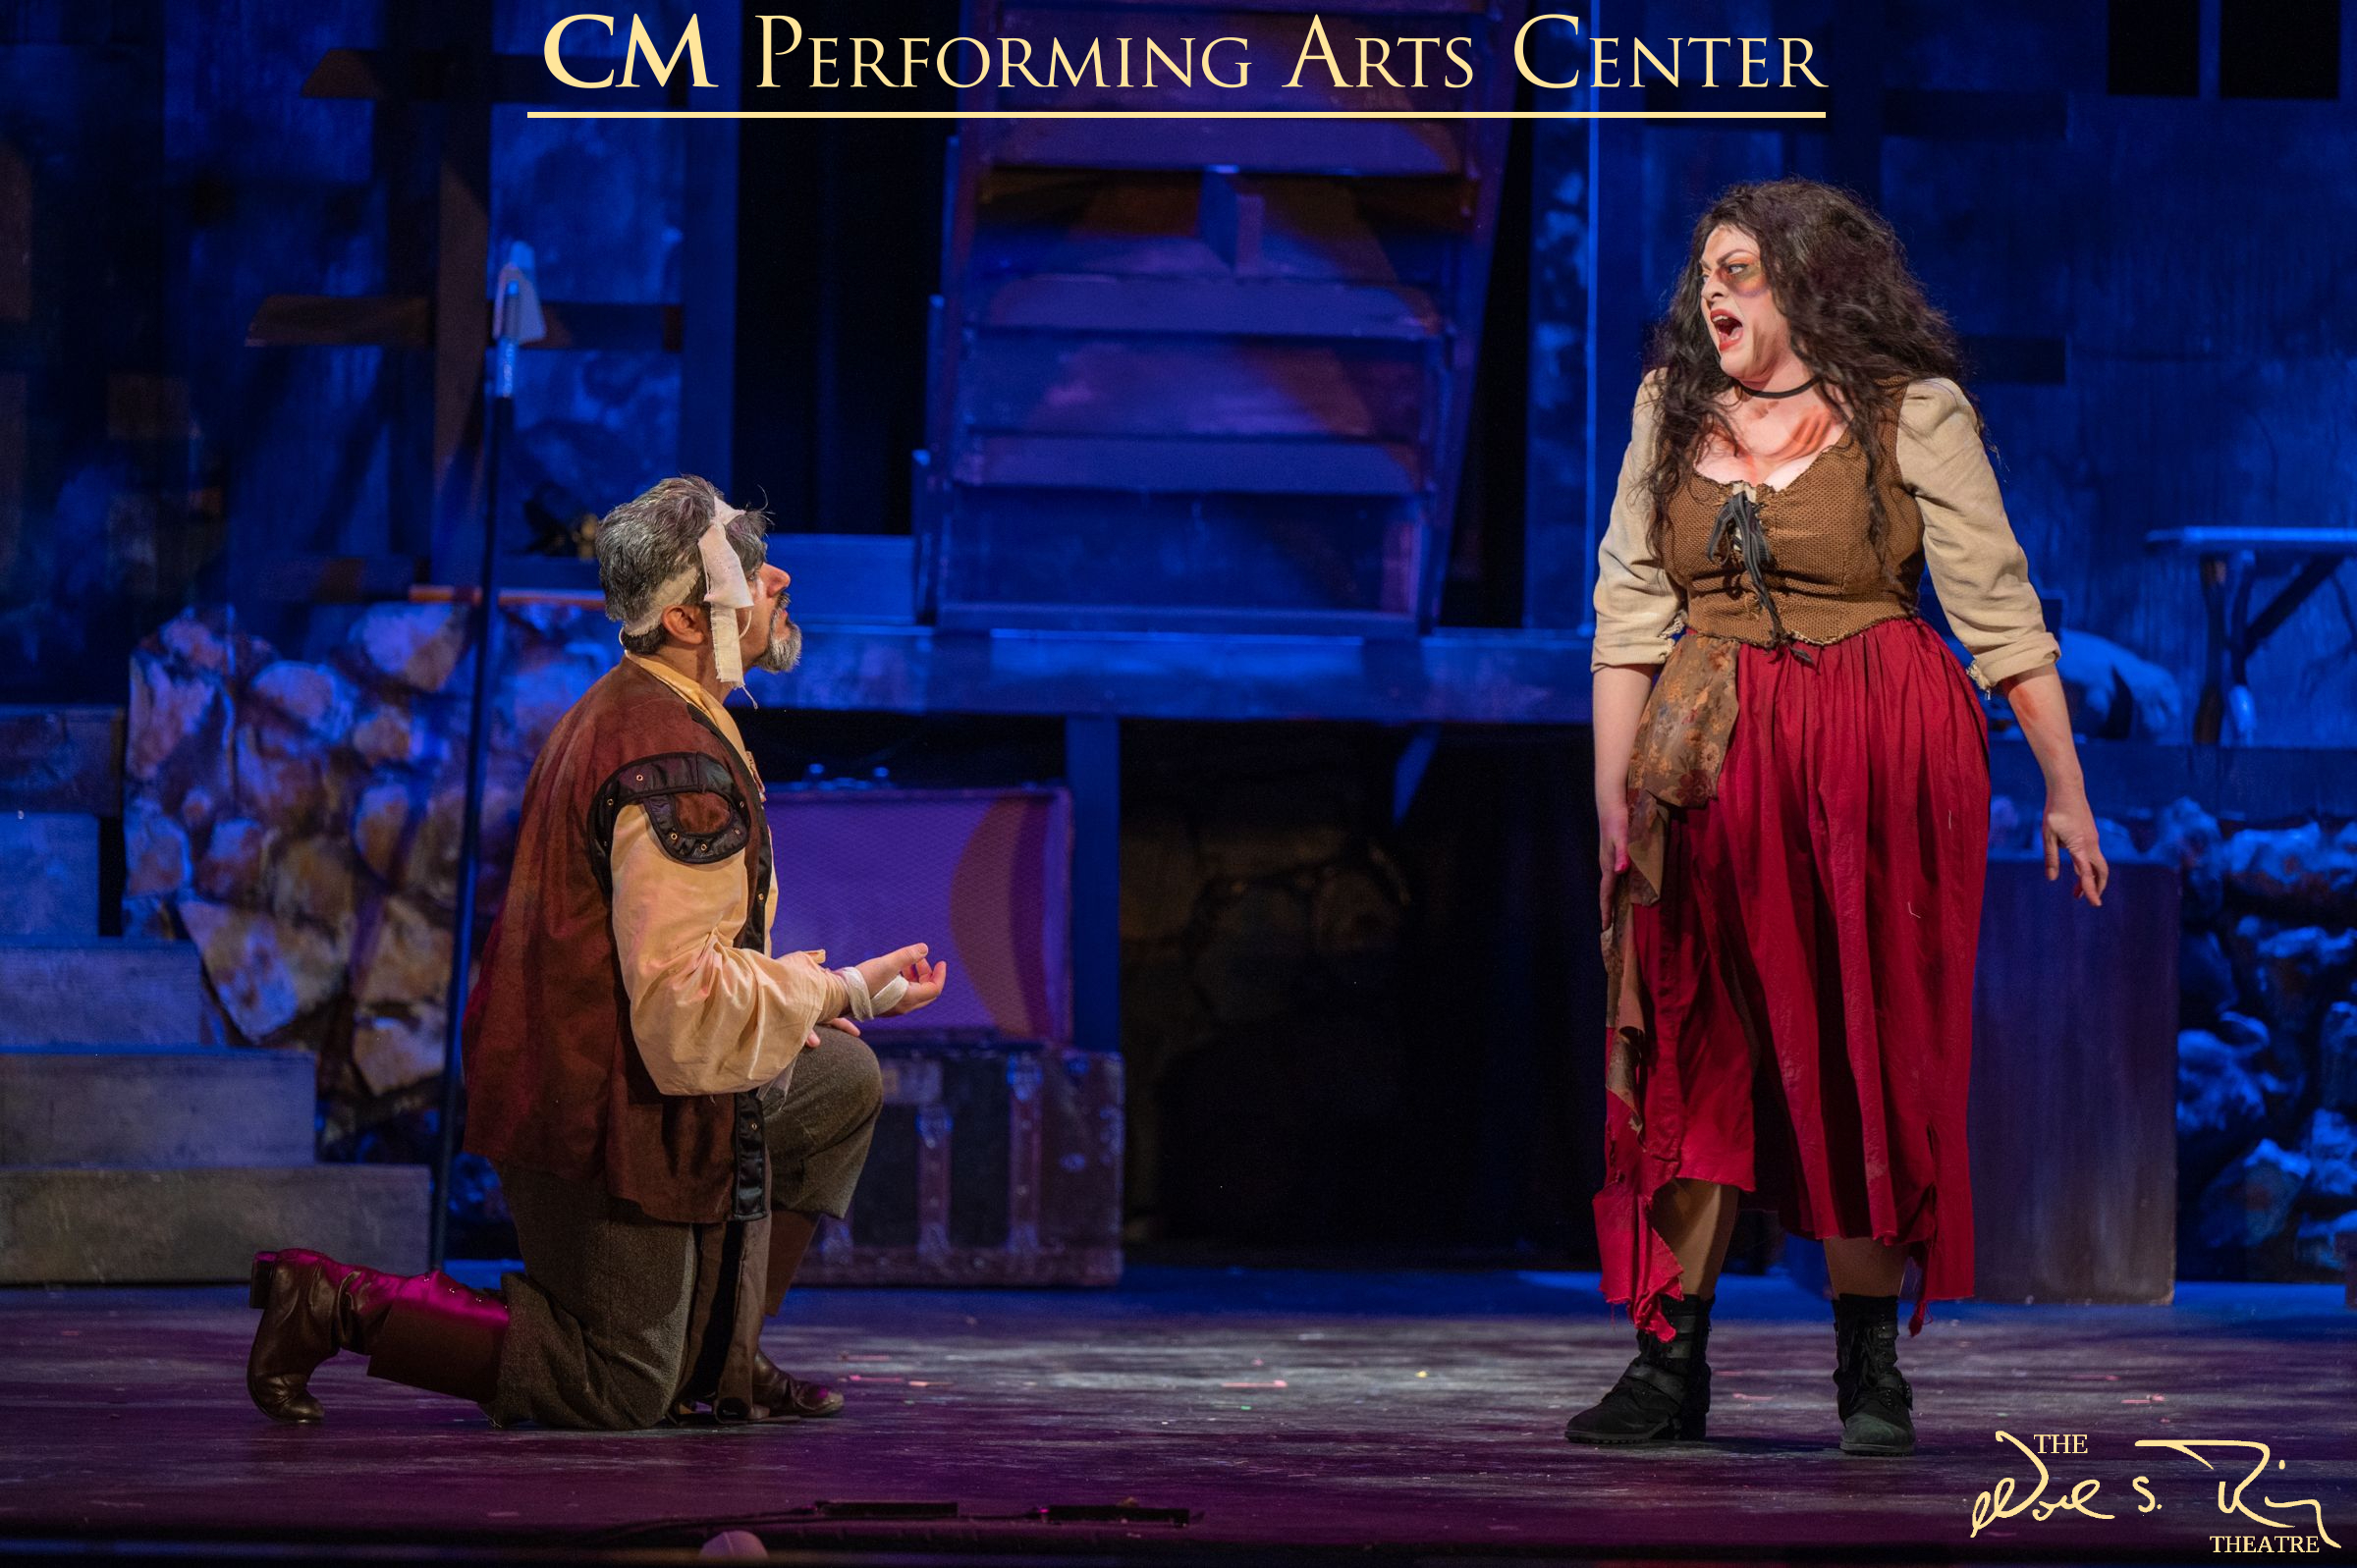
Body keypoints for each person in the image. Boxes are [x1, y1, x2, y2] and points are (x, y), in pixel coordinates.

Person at [1565, 179, 2109, 1457]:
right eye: (1707, 270)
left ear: (1812, 284)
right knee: (1691, 1037)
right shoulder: (1668, 408)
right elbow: (1628, 610)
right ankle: (1669, 1360)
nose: (1714, 291)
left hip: (1877, 756)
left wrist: (2066, 785)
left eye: (1742, 270)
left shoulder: (1912, 410)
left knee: (1864, 1038)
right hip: (1706, 760)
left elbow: (1998, 610)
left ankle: (1870, 1365)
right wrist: (1613, 797)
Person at [246, 474, 948, 1429]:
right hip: (599, 1102)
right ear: (689, 620)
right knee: (618, 1384)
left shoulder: (650, 707)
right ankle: (336, 1303)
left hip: (633, 1067)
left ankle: (725, 1354)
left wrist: (826, 1003)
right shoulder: (672, 763)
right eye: (749, 567)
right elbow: (684, 1002)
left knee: (837, 1083)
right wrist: (833, 990)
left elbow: (684, 967)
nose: (777, 578)